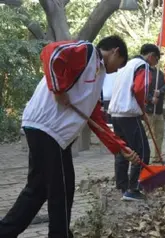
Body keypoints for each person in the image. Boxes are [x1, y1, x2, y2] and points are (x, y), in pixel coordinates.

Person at [0, 36, 140, 238]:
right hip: (46, 127)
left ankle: (5, 231)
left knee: (38, 189)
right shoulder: (88, 51)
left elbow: (95, 118)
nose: (117, 70)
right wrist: (58, 89)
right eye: (119, 65)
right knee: (61, 189)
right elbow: (52, 53)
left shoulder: (98, 75)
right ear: (115, 52)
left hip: (54, 134)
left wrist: (120, 147)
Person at [109, 43, 160, 201]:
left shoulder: (126, 66)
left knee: (124, 150)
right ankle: (133, 189)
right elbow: (138, 89)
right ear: (151, 56)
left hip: (116, 113)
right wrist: (143, 108)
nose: (155, 64)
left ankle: (122, 185)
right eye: (156, 60)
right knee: (142, 151)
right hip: (129, 113)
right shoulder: (143, 66)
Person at [144, 67, 165, 163]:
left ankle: (157, 157)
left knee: (159, 134)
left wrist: (160, 91)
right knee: (145, 134)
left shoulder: (160, 73)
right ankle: (143, 156)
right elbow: (142, 90)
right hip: (149, 110)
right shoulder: (145, 72)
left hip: (159, 110)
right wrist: (150, 98)